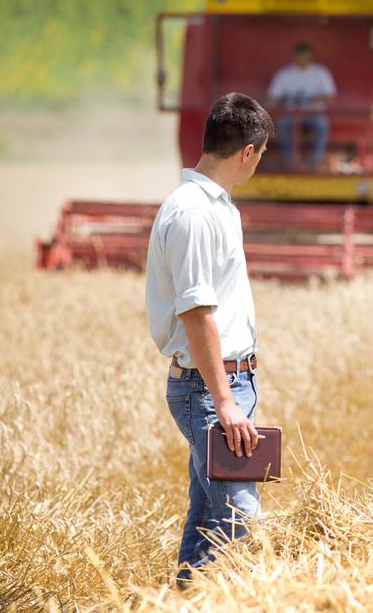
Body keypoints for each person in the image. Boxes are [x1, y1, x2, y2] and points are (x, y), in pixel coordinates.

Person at [145, 92, 273, 583]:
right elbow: (197, 313)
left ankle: (186, 596)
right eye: (260, 154)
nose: (259, 162)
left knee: (206, 522)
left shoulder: (216, 207)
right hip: (208, 389)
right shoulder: (195, 214)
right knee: (241, 524)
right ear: (248, 151)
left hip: (219, 386)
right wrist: (224, 401)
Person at [267, 41, 336, 171]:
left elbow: (331, 97)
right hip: (291, 115)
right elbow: (272, 97)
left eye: (305, 55)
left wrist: (313, 99)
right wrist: (276, 102)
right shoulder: (285, 74)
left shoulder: (319, 72)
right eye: (300, 55)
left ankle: (315, 162)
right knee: (282, 125)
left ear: (310, 56)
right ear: (294, 56)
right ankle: (292, 161)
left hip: (314, 114)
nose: (302, 58)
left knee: (322, 125)